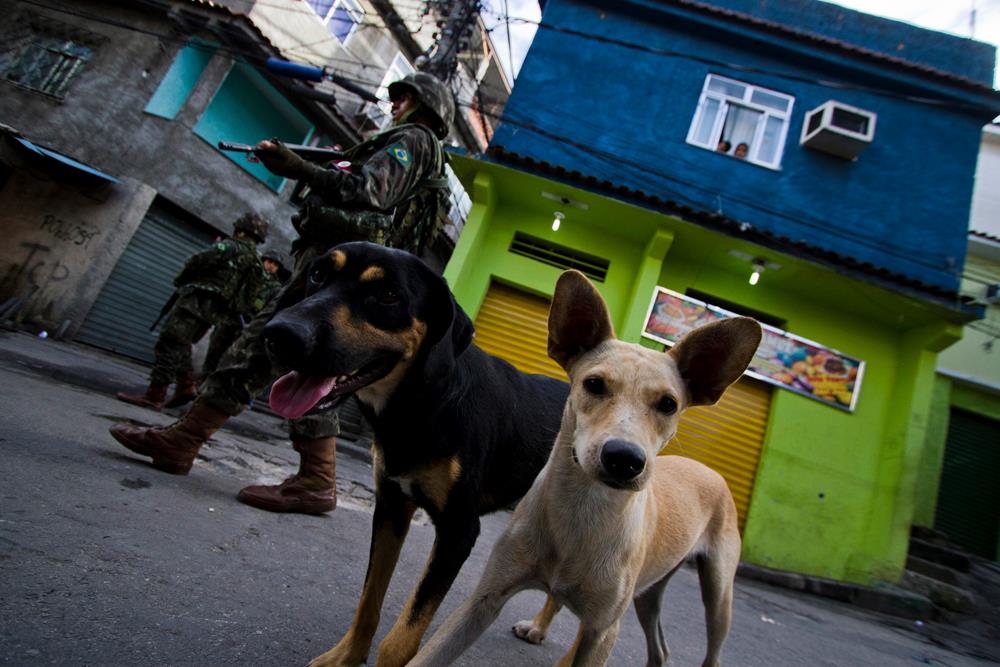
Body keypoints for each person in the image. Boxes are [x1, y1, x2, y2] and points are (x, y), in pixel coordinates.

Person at [108, 71, 455, 515]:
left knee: (300, 359)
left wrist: (298, 167)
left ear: (426, 106)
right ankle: (185, 441)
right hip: (333, 270)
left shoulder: (416, 140)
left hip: (345, 277)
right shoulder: (405, 143)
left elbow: (368, 192)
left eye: (404, 97)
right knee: (262, 350)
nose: (395, 105)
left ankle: (313, 478)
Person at [116, 213, 268, 411]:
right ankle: (185, 385)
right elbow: (250, 297)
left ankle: (155, 394)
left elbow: (196, 261)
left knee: (169, 342)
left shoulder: (228, 247)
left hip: (194, 303)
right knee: (182, 344)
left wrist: (182, 281)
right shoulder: (255, 262)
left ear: (240, 229)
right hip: (214, 313)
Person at [200, 250, 286, 378]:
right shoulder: (249, 276)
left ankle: (216, 382)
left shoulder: (276, 289)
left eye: (275, 264)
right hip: (230, 320)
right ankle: (204, 378)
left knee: (233, 358)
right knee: (214, 349)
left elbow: (269, 311)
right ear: (263, 261)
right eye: (269, 261)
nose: (271, 266)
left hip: (248, 327)